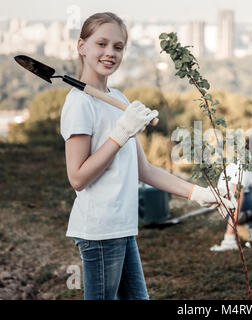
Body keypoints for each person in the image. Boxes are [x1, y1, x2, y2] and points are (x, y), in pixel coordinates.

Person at [60, 12, 235, 300]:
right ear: (82, 46)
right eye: (101, 44)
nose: (110, 53)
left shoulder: (119, 99)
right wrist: (120, 134)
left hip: (123, 227)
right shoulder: (79, 104)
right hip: (100, 230)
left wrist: (199, 193)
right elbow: (77, 178)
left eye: (118, 47)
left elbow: (145, 170)